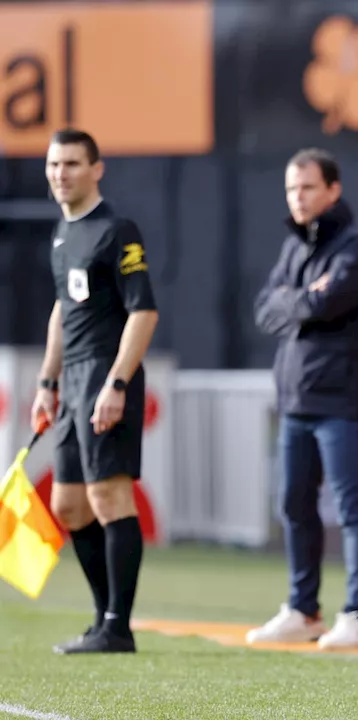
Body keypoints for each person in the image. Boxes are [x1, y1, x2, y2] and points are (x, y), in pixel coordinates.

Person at [247, 148, 358, 650]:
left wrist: (297, 299)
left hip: (341, 400)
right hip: (296, 399)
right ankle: (304, 611)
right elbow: (265, 308)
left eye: (306, 187)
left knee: (352, 507)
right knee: (294, 505)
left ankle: (357, 618)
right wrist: (299, 298)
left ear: (332, 189)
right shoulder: (295, 248)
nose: (297, 198)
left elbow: (326, 303)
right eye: (290, 189)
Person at [35, 128, 160, 654]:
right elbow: (64, 309)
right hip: (73, 384)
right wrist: (47, 381)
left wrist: (116, 382)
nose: (60, 174)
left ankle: (118, 626)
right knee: (67, 506)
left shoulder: (117, 230)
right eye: (54, 164)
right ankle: (104, 619)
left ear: (96, 169)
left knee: (109, 497)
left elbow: (144, 311)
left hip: (106, 378)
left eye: (71, 164)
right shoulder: (63, 236)